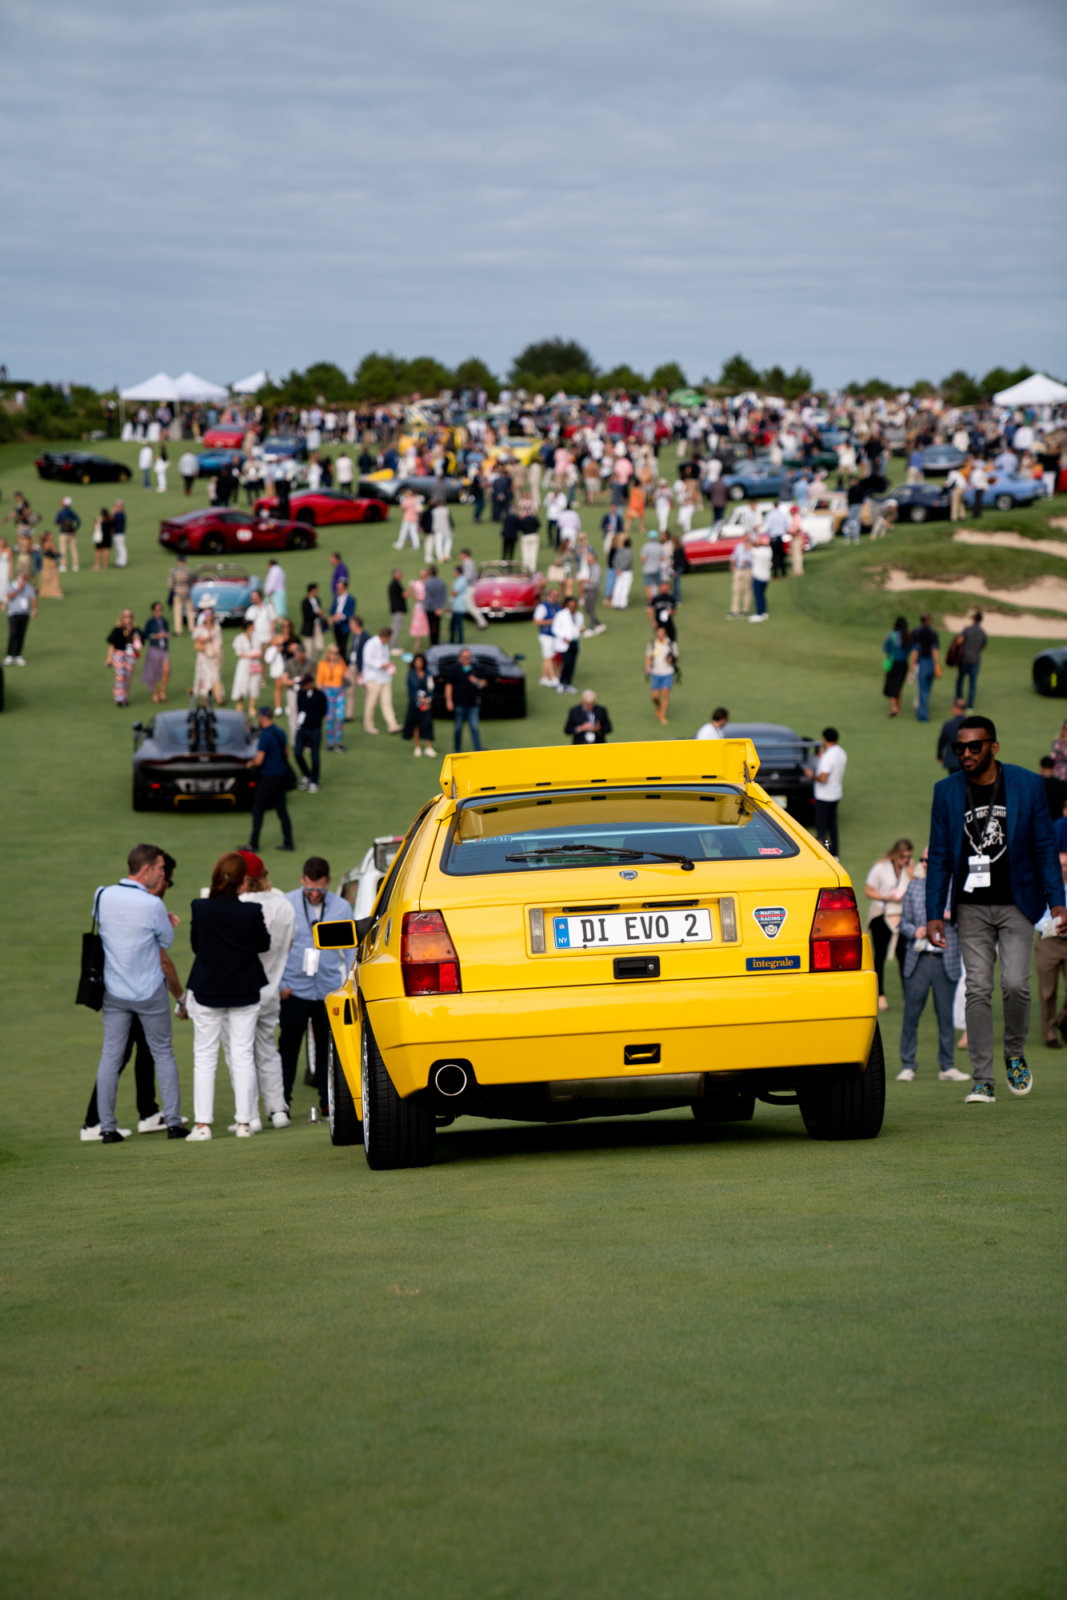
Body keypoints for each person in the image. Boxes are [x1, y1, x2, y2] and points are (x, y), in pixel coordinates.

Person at [926, 715, 1066, 1103]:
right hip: (970, 907)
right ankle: (982, 1078)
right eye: (959, 747)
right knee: (978, 988)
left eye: (974, 746)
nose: (965, 754)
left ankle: (1015, 1053)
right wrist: (933, 912)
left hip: (1018, 903)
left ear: (994, 747)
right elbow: (938, 856)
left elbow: (1044, 849)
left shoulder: (1026, 784)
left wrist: (1058, 902)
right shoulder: (946, 792)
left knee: (1017, 985)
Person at [81, 848, 185, 1140]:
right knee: (163, 1052)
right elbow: (166, 938)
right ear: (147, 869)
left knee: (110, 1057)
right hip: (149, 989)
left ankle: (108, 1128)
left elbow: (106, 921)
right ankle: (174, 1123)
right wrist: (163, 918)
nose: (163, 874)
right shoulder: (151, 904)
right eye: (161, 868)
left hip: (114, 990)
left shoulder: (102, 895)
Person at [184, 852, 271, 1140]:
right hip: (244, 987)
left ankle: (202, 1125)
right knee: (243, 1053)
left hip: (209, 987)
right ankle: (244, 1123)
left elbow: (197, 945)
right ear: (242, 881)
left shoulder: (201, 908)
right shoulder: (251, 912)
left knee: (205, 1056)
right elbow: (263, 943)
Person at [278, 857, 350, 1116]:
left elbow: (350, 949)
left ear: (328, 882)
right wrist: (280, 984)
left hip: (328, 990)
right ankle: (281, 1104)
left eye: (319, 889)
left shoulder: (342, 907)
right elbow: (275, 950)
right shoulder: (286, 904)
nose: (314, 894)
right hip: (293, 991)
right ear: (301, 880)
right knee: (288, 1050)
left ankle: (328, 1101)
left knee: (327, 1050)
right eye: (310, 889)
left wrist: (349, 984)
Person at [896, 849, 971, 1083]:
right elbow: (903, 923)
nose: (927, 863)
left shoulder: (955, 888)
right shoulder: (914, 888)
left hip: (944, 960)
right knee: (911, 1015)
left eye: (932, 859)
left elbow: (967, 921)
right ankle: (908, 1065)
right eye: (924, 859)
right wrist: (914, 930)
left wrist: (948, 916)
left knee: (945, 1016)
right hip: (918, 960)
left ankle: (947, 1066)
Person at [235, 850, 296, 1130]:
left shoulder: (239, 903)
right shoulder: (284, 903)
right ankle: (278, 1110)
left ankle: (250, 1116)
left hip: (242, 989)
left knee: (241, 1053)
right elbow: (290, 944)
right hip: (270, 988)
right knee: (268, 1049)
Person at [864, 839, 914, 1011]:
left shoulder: (909, 869)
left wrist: (910, 871)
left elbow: (915, 888)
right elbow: (868, 891)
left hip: (902, 917)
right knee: (880, 956)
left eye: (908, 856)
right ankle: (880, 996)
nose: (905, 859)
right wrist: (887, 897)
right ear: (895, 854)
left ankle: (907, 996)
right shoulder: (881, 868)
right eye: (903, 856)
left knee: (904, 956)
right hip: (882, 915)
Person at [245, 705, 295, 853]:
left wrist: (250, 764)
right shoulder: (280, 732)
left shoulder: (265, 736)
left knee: (257, 810)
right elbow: (286, 753)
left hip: (269, 777)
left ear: (261, 717)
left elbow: (259, 760)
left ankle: (253, 844)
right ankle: (288, 842)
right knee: (282, 811)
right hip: (280, 776)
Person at [807, 727, 847, 856]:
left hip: (824, 796)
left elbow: (823, 778)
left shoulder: (828, 757)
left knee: (821, 830)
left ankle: (824, 854)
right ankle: (834, 853)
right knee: (832, 827)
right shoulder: (841, 753)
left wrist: (811, 775)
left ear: (824, 739)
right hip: (835, 795)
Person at [444, 647, 486, 751]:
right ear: (460, 658)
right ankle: (457, 751)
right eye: (465, 657)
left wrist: (476, 681)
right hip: (459, 704)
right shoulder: (454, 669)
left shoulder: (476, 668)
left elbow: (484, 683)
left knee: (474, 727)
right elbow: (449, 686)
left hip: (473, 704)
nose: (468, 659)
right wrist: (449, 701)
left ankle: (477, 750)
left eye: (469, 657)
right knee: (458, 729)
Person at [360, 624, 400, 733]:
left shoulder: (384, 645)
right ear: (386, 636)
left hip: (385, 678)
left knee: (387, 702)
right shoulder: (371, 644)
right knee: (371, 703)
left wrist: (389, 666)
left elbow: (384, 659)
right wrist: (382, 665)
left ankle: (392, 725)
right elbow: (368, 660)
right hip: (373, 678)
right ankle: (368, 726)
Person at [293, 673, 327, 791]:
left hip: (315, 730)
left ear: (310, 684)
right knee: (297, 752)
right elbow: (300, 708)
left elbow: (323, 710)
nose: (302, 687)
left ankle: (314, 781)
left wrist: (315, 720)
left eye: (304, 684)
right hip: (302, 729)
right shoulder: (300, 694)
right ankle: (306, 774)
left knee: (314, 756)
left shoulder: (320, 695)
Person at [105, 609, 142, 707]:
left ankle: (125, 697)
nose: (128, 618)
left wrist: (137, 639)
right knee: (120, 676)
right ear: (122, 618)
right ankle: (118, 697)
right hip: (119, 653)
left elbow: (140, 643)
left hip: (130, 653)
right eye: (125, 616)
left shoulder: (135, 630)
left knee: (128, 676)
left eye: (129, 616)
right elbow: (112, 644)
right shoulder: (117, 630)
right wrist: (109, 658)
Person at [316, 641, 348, 752]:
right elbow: (319, 682)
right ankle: (330, 743)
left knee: (340, 717)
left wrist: (346, 677)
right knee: (329, 718)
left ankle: (338, 742)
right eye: (334, 653)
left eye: (337, 653)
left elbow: (345, 675)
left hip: (339, 691)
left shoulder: (341, 662)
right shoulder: (322, 664)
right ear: (328, 653)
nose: (336, 655)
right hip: (327, 692)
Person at [403, 652, 437, 758]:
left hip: (426, 703)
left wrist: (428, 700)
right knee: (416, 724)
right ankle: (417, 747)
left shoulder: (428, 673)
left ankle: (428, 747)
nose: (418, 663)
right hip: (415, 703)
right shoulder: (411, 673)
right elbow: (410, 690)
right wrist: (418, 698)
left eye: (420, 661)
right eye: (416, 661)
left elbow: (432, 689)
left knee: (428, 724)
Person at [909, 612, 941, 723]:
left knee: (921, 690)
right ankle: (922, 711)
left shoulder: (916, 636)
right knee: (926, 691)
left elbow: (914, 655)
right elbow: (936, 653)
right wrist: (936, 665)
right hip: (931, 666)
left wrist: (911, 670)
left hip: (921, 666)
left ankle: (922, 714)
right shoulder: (933, 636)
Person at [953, 609, 987, 708]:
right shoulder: (983, 632)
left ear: (973, 619)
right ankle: (970, 706)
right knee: (972, 684)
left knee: (960, 681)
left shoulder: (967, 629)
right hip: (975, 661)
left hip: (964, 659)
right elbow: (983, 647)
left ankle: (959, 701)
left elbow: (959, 641)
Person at [645, 625, 678, 725]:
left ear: (665, 634)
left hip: (667, 673)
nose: (660, 635)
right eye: (658, 633)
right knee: (654, 697)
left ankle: (662, 716)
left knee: (665, 694)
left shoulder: (671, 644)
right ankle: (658, 706)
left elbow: (676, 657)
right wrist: (647, 667)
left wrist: (671, 660)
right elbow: (649, 657)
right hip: (656, 673)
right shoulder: (652, 644)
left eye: (662, 633)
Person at [191, 603, 224, 701]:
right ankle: (204, 699)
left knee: (216, 676)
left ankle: (219, 697)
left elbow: (219, 641)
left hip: (215, 655)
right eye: (206, 615)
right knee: (204, 677)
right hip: (203, 656)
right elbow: (196, 642)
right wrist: (206, 639)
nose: (208, 617)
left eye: (209, 615)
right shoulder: (200, 628)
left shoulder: (217, 628)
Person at [551, 595, 583, 695]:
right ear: (567, 605)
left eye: (574, 605)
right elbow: (555, 629)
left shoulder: (579, 616)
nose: (572, 607)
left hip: (574, 642)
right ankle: (560, 683)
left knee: (572, 664)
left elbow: (577, 629)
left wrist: (580, 631)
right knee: (567, 663)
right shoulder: (561, 615)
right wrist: (564, 637)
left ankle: (569, 684)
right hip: (564, 644)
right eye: (570, 605)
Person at [231, 618, 263, 713]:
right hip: (244, 663)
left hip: (255, 663)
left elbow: (259, 649)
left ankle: (251, 707)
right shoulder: (240, 638)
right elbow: (238, 653)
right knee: (242, 683)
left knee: (254, 684)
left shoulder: (256, 638)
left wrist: (256, 655)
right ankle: (240, 703)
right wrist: (249, 655)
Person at [141, 601, 171, 703]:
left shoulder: (164, 621)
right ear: (153, 611)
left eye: (160, 610)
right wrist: (156, 635)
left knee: (167, 670)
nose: (159, 612)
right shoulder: (150, 622)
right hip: (154, 648)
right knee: (154, 671)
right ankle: (155, 693)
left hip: (164, 648)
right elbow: (145, 634)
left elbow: (168, 632)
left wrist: (166, 635)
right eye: (157, 610)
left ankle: (162, 692)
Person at [882, 615, 910, 718]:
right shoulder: (908, 636)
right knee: (899, 685)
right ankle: (898, 708)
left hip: (893, 663)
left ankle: (894, 708)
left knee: (891, 685)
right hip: (904, 664)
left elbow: (885, 648)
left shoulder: (891, 635)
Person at [533, 587, 560, 686]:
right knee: (548, 657)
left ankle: (544, 677)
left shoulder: (557, 606)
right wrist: (551, 622)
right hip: (546, 636)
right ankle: (552, 677)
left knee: (548, 657)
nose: (556, 597)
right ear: (549, 595)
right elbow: (536, 621)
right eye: (554, 595)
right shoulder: (542, 607)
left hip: (554, 636)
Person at [936, 697, 968, 773]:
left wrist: (939, 756)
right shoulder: (971, 725)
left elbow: (941, 742)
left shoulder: (948, 725)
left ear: (954, 707)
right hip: (967, 760)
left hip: (952, 762)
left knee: (954, 783)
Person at [168, 553, 194, 635]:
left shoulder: (173, 571)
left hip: (178, 593)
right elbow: (191, 582)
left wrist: (172, 590)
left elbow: (170, 584)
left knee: (177, 612)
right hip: (187, 593)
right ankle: (192, 629)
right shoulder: (188, 571)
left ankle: (178, 631)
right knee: (190, 612)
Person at [749, 534, 772, 622]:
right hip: (766, 577)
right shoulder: (769, 550)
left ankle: (759, 614)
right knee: (762, 596)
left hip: (758, 577)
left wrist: (756, 542)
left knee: (758, 596)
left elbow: (750, 546)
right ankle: (763, 612)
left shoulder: (757, 551)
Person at [423, 565, 447, 647]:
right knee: (437, 626)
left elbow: (429, 598)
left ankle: (433, 644)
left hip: (430, 609)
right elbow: (444, 596)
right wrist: (440, 608)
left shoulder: (428, 583)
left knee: (431, 627)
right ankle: (437, 642)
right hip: (439, 609)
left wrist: (434, 608)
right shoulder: (441, 582)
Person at [300, 581, 325, 660]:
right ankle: (307, 665)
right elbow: (306, 616)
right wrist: (317, 613)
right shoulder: (305, 602)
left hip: (317, 626)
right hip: (309, 627)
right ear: (311, 590)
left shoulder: (317, 600)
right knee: (308, 649)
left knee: (320, 647)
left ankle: (312, 662)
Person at [55, 497, 80, 572]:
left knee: (62, 550)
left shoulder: (60, 512)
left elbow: (56, 521)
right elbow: (79, 521)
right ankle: (75, 565)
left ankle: (63, 566)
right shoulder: (71, 512)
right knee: (74, 549)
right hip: (72, 533)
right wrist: (75, 529)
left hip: (63, 533)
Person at [449, 566, 468, 644]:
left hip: (458, 606)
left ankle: (458, 641)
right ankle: (453, 640)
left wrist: (450, 598)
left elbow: (455, 593)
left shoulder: (460, 581)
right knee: (454, 625)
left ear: (457, 572)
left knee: (457, 625)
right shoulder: (461, 580)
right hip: (458, 605)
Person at [388, 568, 407, 644]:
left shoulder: (394, 584)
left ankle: (394, 645)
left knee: (396, 628)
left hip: (396, 609)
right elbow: (404, 595)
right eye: (399, 574)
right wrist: (411, 587)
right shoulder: (395, 585)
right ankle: (393, 646)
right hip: (398, 609)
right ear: (395, 575)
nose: (401, 575)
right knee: (396, 628)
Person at [91, 506, 113, 571]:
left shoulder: (98, 519)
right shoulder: (109, 519)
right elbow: (112, 529)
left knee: (98, 551)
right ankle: (105, 565)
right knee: (106, 550)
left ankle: (97, 564)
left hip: (99, 537)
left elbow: (95, 528)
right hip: (108, 537)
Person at [111, 500, 128, 569]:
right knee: (116, 548)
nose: (115, 507)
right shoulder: (118, 514)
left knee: (121, 548)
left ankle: (123, 562)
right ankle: (118, 561)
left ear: (120, 506)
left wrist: (112, 513)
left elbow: (112, 520)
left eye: (116, 506)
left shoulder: (120, 514)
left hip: (119, 533)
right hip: (115, 533)